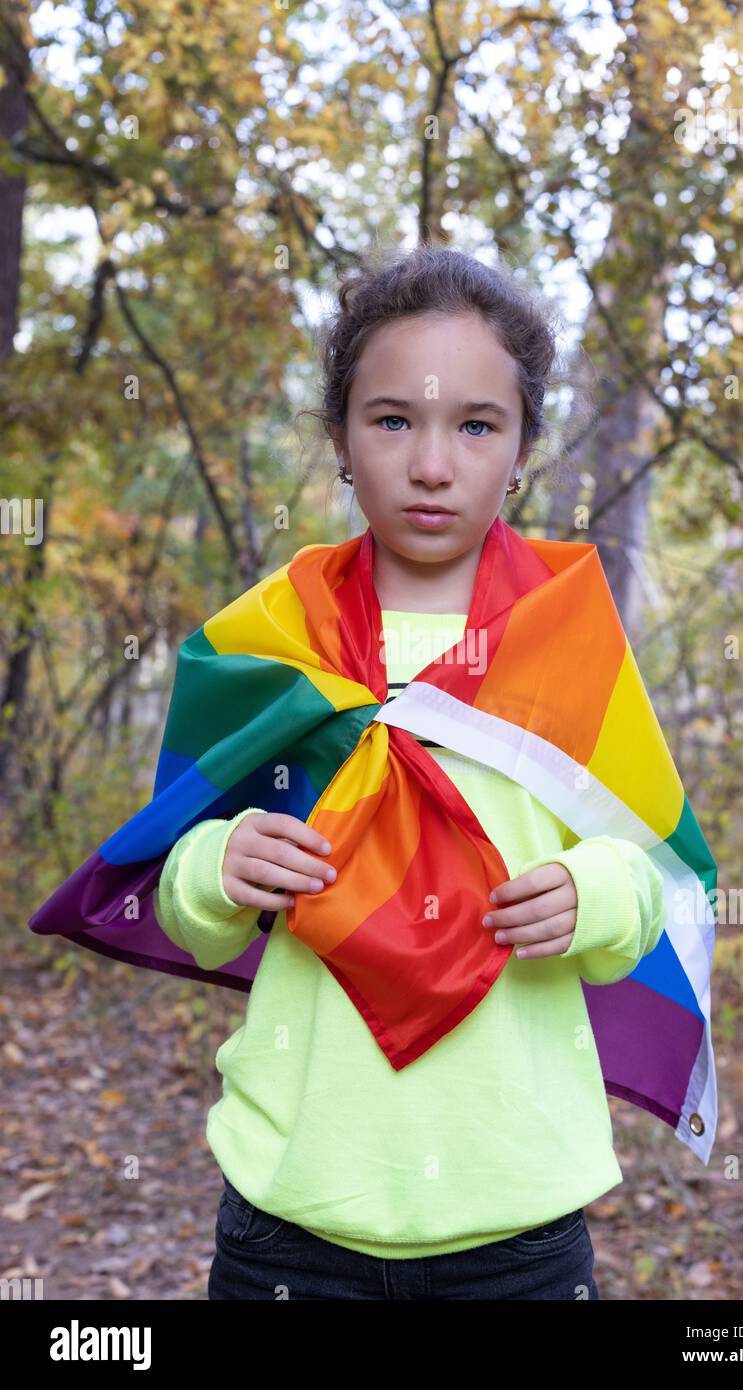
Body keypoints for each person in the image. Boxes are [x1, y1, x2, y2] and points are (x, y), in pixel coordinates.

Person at [154, 243, 666, 1300]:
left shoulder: (570, 638)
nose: (433, 463)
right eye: (392, 420)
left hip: (517, 1219)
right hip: (294, 1214)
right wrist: (219, 863)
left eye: (477, 424)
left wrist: (595, 890)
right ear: (341, 435)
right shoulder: (272, 638)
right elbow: (184, 905)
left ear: (521, 446)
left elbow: (653, 883)